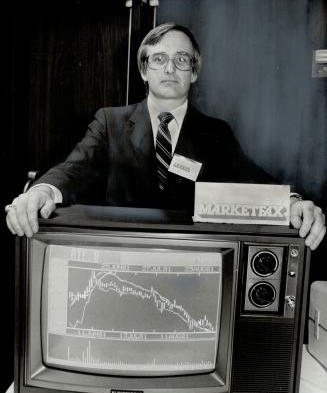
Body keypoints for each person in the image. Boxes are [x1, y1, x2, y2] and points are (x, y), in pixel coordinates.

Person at [5, 23, 326, 250]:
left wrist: (294, 204)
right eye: (159, 59)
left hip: (189, 265)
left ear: (194, 71)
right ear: (144, 71)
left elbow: (255, 182)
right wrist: (43, 191)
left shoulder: (215, 133)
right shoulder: (110, 122)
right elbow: (74, 168)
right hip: (120, 257)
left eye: (181, 60)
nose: (170, 68)